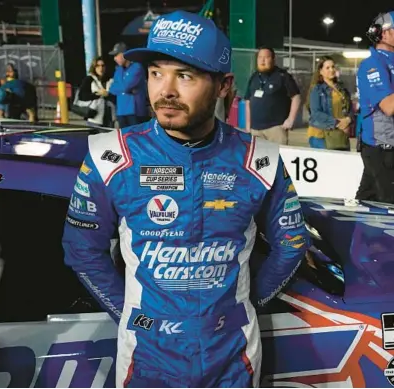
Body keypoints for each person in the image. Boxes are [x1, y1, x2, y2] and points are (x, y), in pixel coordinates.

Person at [62, 10, 308, 388]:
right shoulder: (109, 156)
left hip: (233, 356)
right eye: (156, 72)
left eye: (186, 75)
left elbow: (291, 244)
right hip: (146, 358)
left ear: (224, 85)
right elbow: (82, 250)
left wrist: (242, 308)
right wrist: (134, 316)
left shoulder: (260, 159)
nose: (166, 91)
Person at [355, 11, 394, 203]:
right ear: (384, 33)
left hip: (387, 148)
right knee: (388, 206)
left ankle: (351, 233)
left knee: (367, 200)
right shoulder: (373, 63)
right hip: (382, 148)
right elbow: (389, 106)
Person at [244, 47, 301, 145]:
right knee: (259, 159)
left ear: (273, 60)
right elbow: (248, 101)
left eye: (266, 57)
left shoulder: (282, 76)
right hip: (255, 130)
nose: (262, 60)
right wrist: (248, 126)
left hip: (275, 129)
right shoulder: (254, 77)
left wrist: (290, 119)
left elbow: (296, 97)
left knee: (276, 159)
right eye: (260, 57)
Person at [306, 56, 353, 150]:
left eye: (333, 67)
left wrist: (348, 120)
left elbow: (350, 109)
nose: (331, 70)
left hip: (340, 135)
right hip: (320, 136)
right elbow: (316, 113)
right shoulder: (317, 90)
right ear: (320, 71)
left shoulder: (342, 89)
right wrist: (338, 123)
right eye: (327, 68)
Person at [108, 42, 148, 128]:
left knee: (137, 138)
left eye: (116, 55)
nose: (114, 58)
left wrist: (120, 88)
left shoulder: (137, 67)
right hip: (121, 111)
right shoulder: (118, 69)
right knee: (124, 138)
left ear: (124, 54)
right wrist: (122, 88)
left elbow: (125, 87)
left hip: (135, 111)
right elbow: (111, 89)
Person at [77, 56, 115, 127]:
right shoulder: (89, 79)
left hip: (109, 117)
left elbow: (115, 96)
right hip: (95, 118)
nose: (101, 68)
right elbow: (82, 96)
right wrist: (97, 94)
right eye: (98, 66)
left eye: (103, 66)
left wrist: (108, 95)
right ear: (94, 67)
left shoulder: (110, 80)